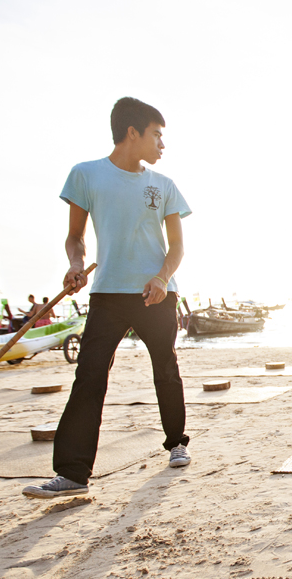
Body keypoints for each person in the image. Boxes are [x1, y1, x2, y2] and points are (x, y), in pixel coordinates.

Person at [24, 97, 191, 499]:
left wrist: (161, 278)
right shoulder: (86, 175)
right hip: (107, 294)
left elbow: (176, 249)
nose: (162, 144)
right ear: (132, 132)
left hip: (156, 294)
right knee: (89, 377)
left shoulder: (163, 185)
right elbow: (75, 237)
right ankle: (72, 474)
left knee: (165, 368)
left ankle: (177, 443)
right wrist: (75, 263)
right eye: (157, 135)